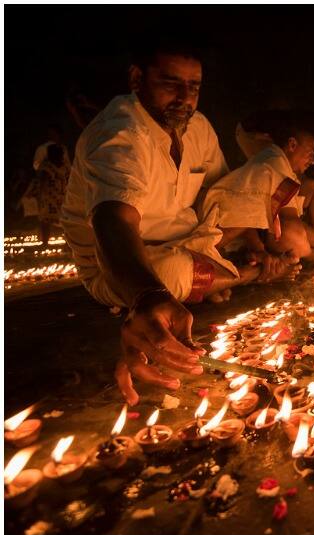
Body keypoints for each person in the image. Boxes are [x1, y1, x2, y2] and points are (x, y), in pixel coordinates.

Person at [62, 38, 258, 405]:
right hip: (119, 263)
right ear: (137, 79)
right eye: (171, 83)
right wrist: (148, 296)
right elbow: (113, 221)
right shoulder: (119, 133)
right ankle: (248, 274)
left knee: (262, 177)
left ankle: (217, 276)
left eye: (194, 86)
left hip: (187, 238)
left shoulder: (199, 127)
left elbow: (227, 195)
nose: (185, 96)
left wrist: (257, 239)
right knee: (167, 274)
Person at [204, 124, 314, 266]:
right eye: (310, 154)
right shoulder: (275, 166)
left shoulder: (277, 161)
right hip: (216, 232)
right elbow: (290, 223)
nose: (312, 161)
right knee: (294, 236)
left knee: (311, 192)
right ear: (292, 144)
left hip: (230, 226)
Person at [31, 144, 71, 244]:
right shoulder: (47, 166)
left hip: (56, 197)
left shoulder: (60, 167)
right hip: (52, 197)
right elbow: (42, 181)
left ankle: (64, 242)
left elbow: (41, 181)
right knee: (51, 220)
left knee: (49, 221)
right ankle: (47, 242)